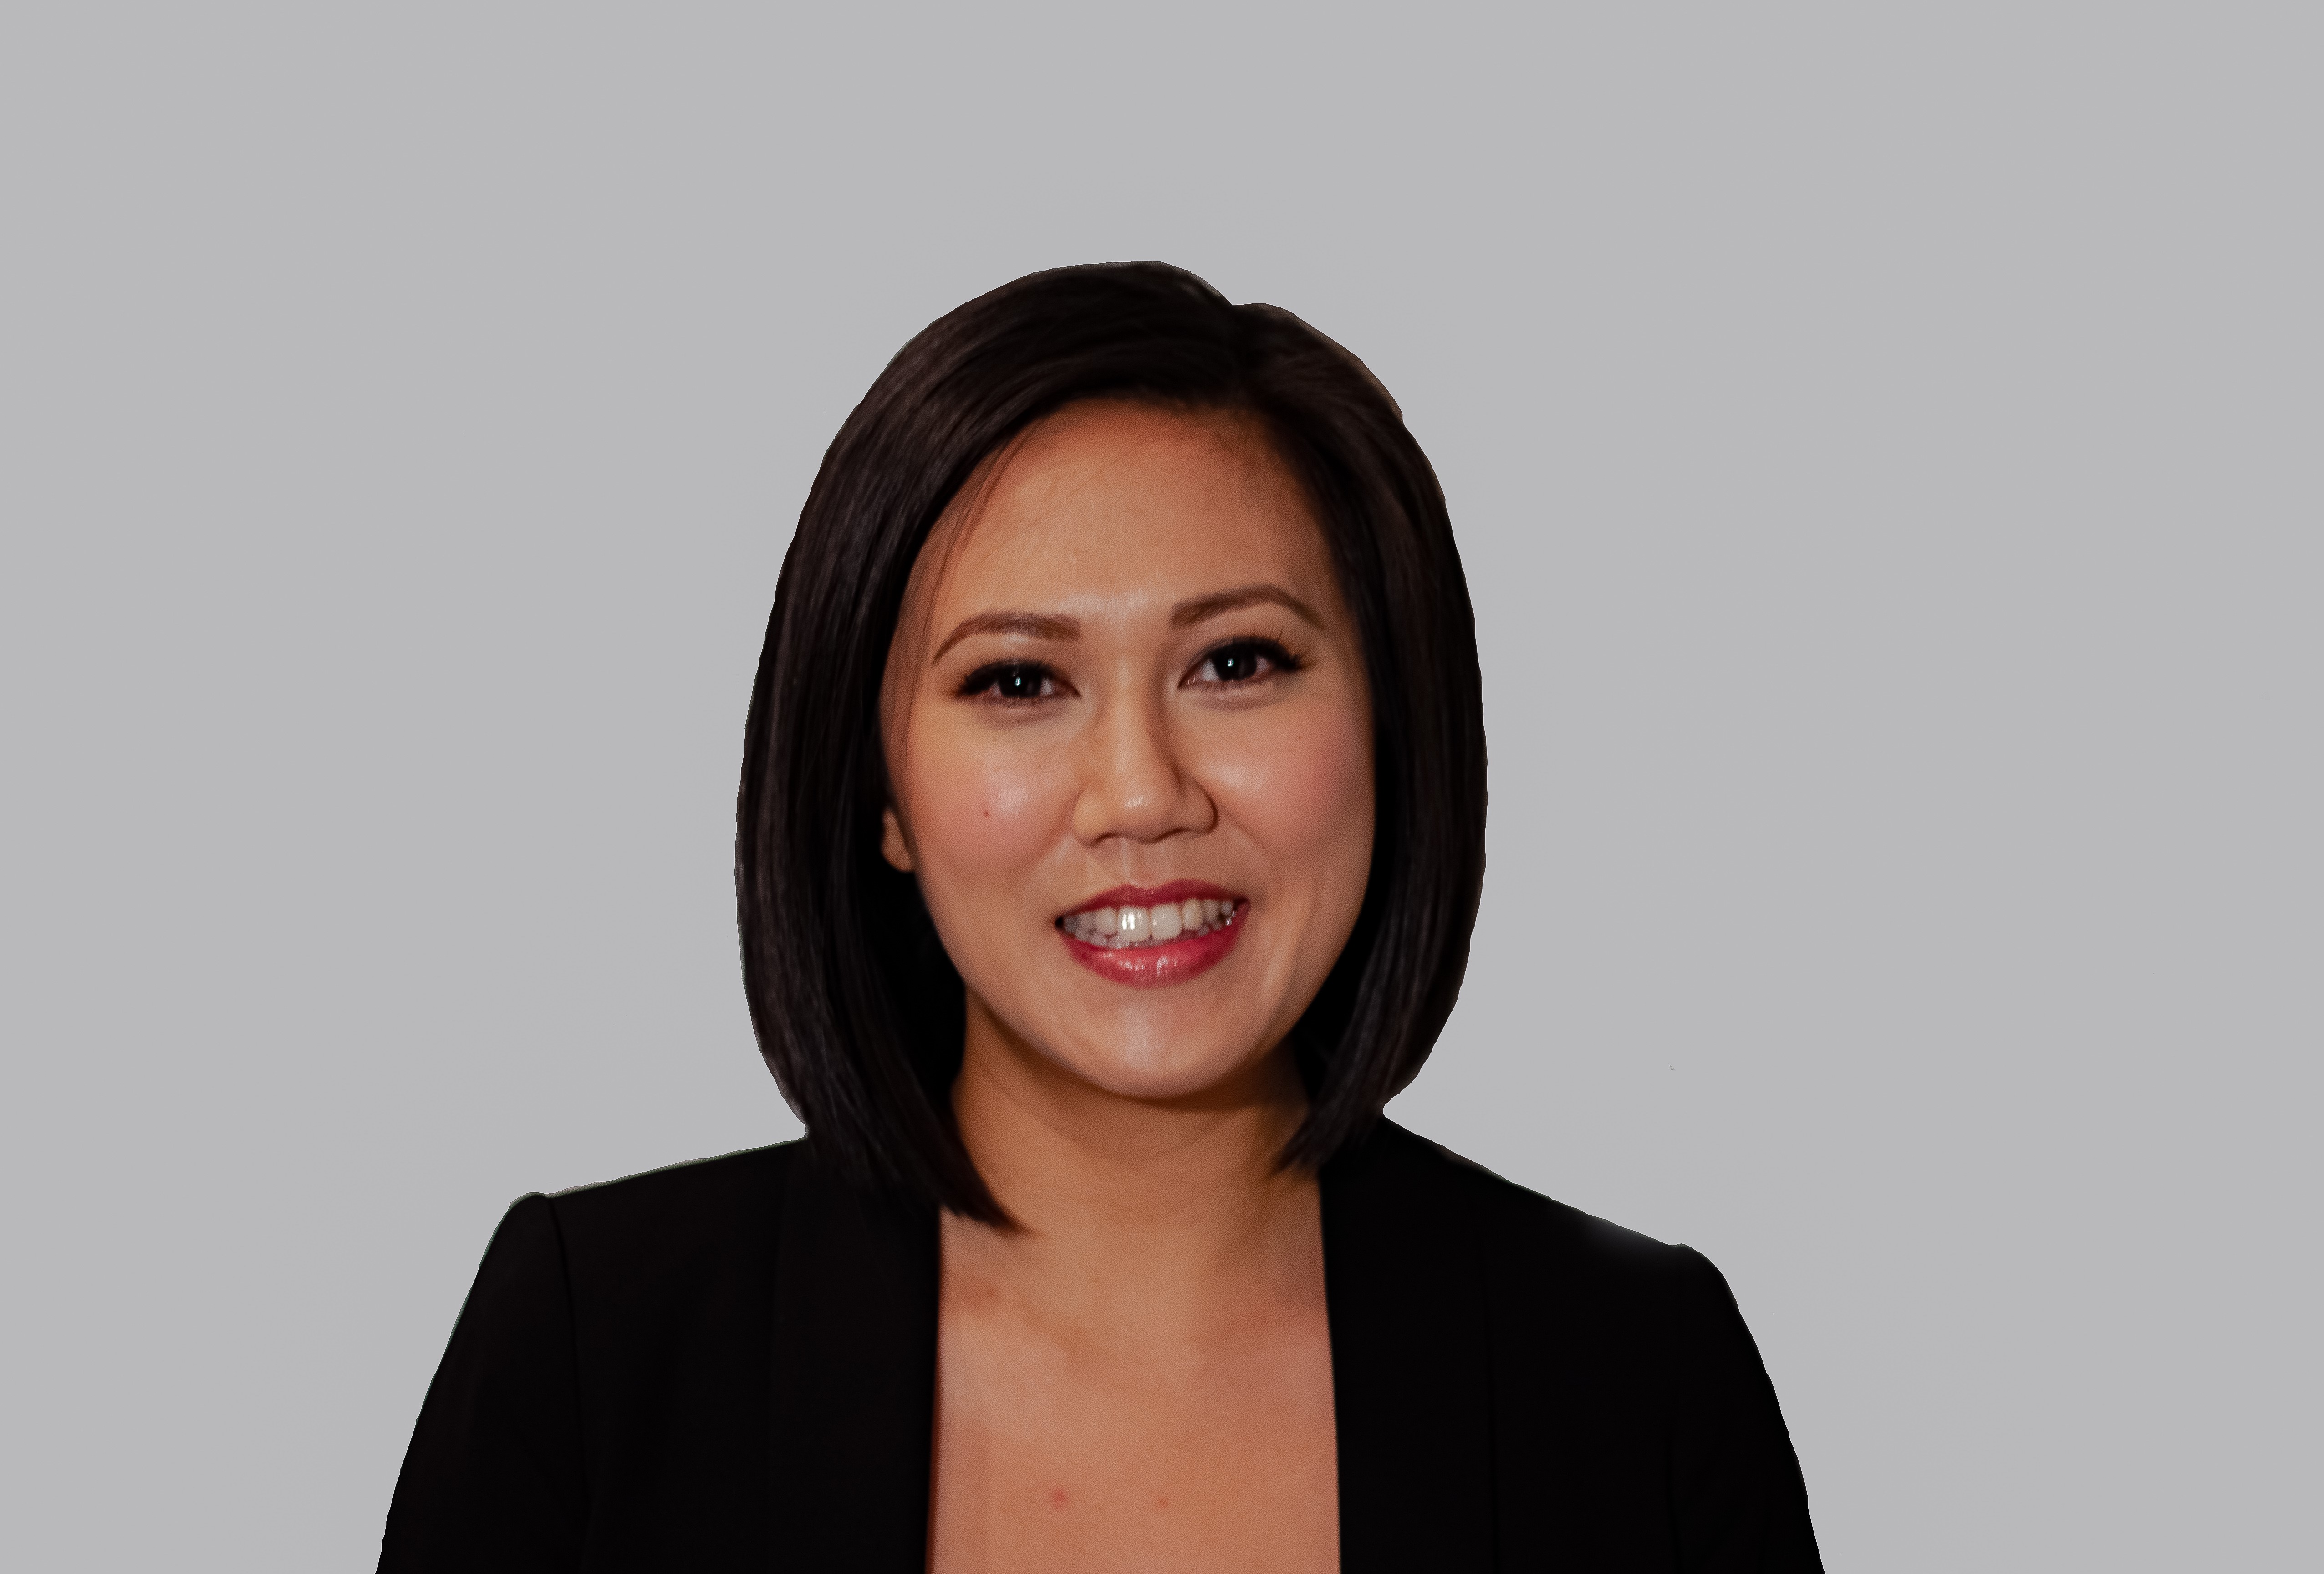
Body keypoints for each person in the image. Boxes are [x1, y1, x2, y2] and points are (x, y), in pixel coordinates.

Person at [377, 262, 1823, 1572]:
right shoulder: (594, 1359)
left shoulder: (1639, 1379)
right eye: (1017, 682)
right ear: (880, 792)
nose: (1140, 793)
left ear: (1392, 726)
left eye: (1238, 662)